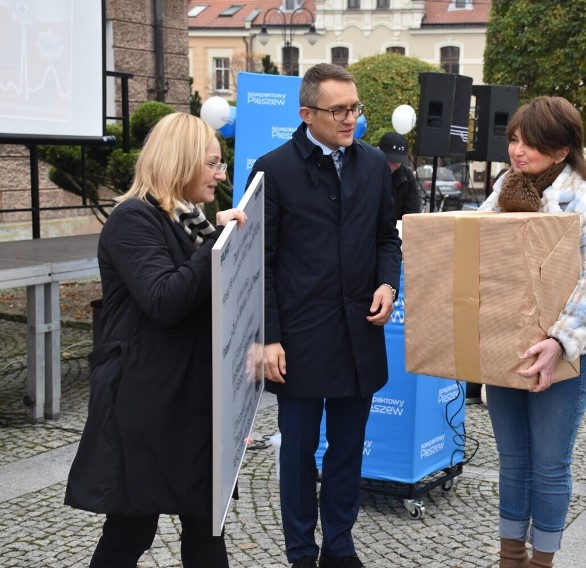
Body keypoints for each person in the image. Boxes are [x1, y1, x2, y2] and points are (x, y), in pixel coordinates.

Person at [64, 112, 248, 567]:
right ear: (180, 162)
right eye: (211, 163)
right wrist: (218, 243)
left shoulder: (191, 223)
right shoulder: (133, 220)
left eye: (220, 164)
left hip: (191, 400)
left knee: (207, 526)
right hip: (145, 405)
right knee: (131, 530)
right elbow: (164, 300)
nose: (219, 174)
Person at [249, 63, 402, 568]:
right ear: (306, 113)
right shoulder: (273, 169)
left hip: (358, 334)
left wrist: (387, 282)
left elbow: (387, 237)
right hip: (297, 337)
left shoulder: (375, 163)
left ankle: (339, 545)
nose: (350, 119)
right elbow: (260, 263)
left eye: (355, 108)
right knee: (296, 453)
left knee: (347, 449)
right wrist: (269, 336)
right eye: (339, 110)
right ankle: (299, 552)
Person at [478, 96, 586, 568]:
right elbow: (482, 253)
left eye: (531, 144)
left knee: (549, 464)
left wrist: (559, 341)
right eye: (514, 139)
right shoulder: (503, 189)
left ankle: (542, 561)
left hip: (565, 354)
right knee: (513, 462)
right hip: (509, 345)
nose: (518, 150)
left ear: (560, 151)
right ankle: (510, 557)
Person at [378, 131, 421, 219]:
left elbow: (412, 210)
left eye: (397, 161)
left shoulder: (407, 176)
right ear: (378, 152)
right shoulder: (368, 172)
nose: (393, 166)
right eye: (389, 160)